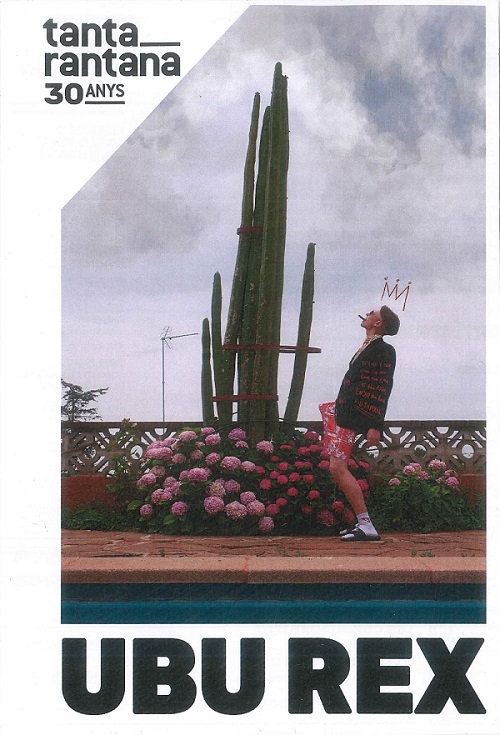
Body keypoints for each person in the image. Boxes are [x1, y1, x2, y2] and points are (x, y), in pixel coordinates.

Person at [319, 305, 400, 541]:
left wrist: (376, 425)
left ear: (378, 323)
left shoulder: (384, 350)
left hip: (352, 417)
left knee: (337, 467)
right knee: (336, 467)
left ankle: (366, 525)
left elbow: (382, 387)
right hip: (343, 414)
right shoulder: (368, 346)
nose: (368, 313)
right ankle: (362, 523)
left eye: (373, 313)